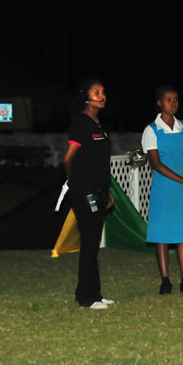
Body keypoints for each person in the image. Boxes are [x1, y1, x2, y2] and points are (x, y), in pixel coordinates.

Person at [142, 86, 183, 295]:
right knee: (163, 235)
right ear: (159, 102)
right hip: (165, 186)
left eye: (176, 99)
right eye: (169, 100)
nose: (173, 103)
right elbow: (156, 164)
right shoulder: (151, 130)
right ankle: (165, 280)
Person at [63, 78, 115, 310]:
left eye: (103, 92)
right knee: (90, 243)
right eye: (96, 92)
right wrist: (77, 184)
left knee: (93, 244)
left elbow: (101, 162)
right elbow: (68, 158)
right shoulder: (81, 123)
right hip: (84, 192)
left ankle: (94, 293)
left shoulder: (99, 125)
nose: (102, 96)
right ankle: (87, 298)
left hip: (101, 190)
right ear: (86, 97)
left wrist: (108, 192)